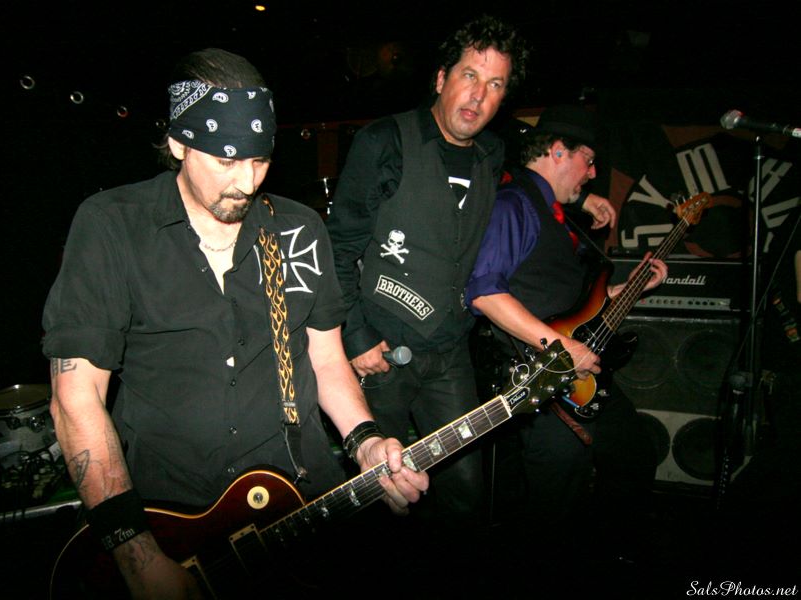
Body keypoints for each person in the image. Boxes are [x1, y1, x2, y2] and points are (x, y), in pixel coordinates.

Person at [41, 48, 427, 599]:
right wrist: (137, 556)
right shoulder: (112, 227)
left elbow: (325, 357)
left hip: (299, 499)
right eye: (225, 161)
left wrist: (364, 440)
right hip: (171, 516)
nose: (245, 182)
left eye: (259, 160)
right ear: (177, 143)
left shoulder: (298, 229)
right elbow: (75, 397)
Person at [325, 14, 527, 532]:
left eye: (495, 84)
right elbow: (338, 248)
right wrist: (356, 337)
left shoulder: (491, 154)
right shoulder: (384, 141)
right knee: (378, 496)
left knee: (466, 494)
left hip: (449, 351)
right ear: (441, 78)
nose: (478, 95)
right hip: (382, 352)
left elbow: (529, 187)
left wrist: (581, 201)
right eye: (469, 75)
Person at [466, 104, 668, 570]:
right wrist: (561, 350)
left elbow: (573, 304)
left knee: (633, 454)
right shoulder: (514, 204)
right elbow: (484, 292)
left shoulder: (554, 213)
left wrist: (629, 288)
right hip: (542, 378)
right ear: (558, 151)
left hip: (576, 370)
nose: (593, 173)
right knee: (554, 501)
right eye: (588, 160)